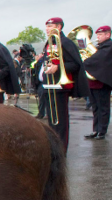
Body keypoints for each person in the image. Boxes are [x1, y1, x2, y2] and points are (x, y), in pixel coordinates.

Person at [33, 17, 88, 151]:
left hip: (60, 86)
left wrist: (57, 67)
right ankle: (53, 148)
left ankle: (62, 150)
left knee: (61, 121)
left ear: (58, 27)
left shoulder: (66, 42)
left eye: (50, 26)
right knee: (51, 121)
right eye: (46, 26)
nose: (47, 29)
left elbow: (75, 64)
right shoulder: (50, 42)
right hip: (49, 85)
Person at [83, 25, 112, 140]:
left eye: (100, 35)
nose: (98, 37)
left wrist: (85, 61)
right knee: (95, 108)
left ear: (107, 35)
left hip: (102, 83)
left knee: (103, 108)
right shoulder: (100, 48)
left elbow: (97, 60)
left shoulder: (109, 47)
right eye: (97, 35)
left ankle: (102, 131)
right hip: (93, 83)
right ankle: (95, 130)